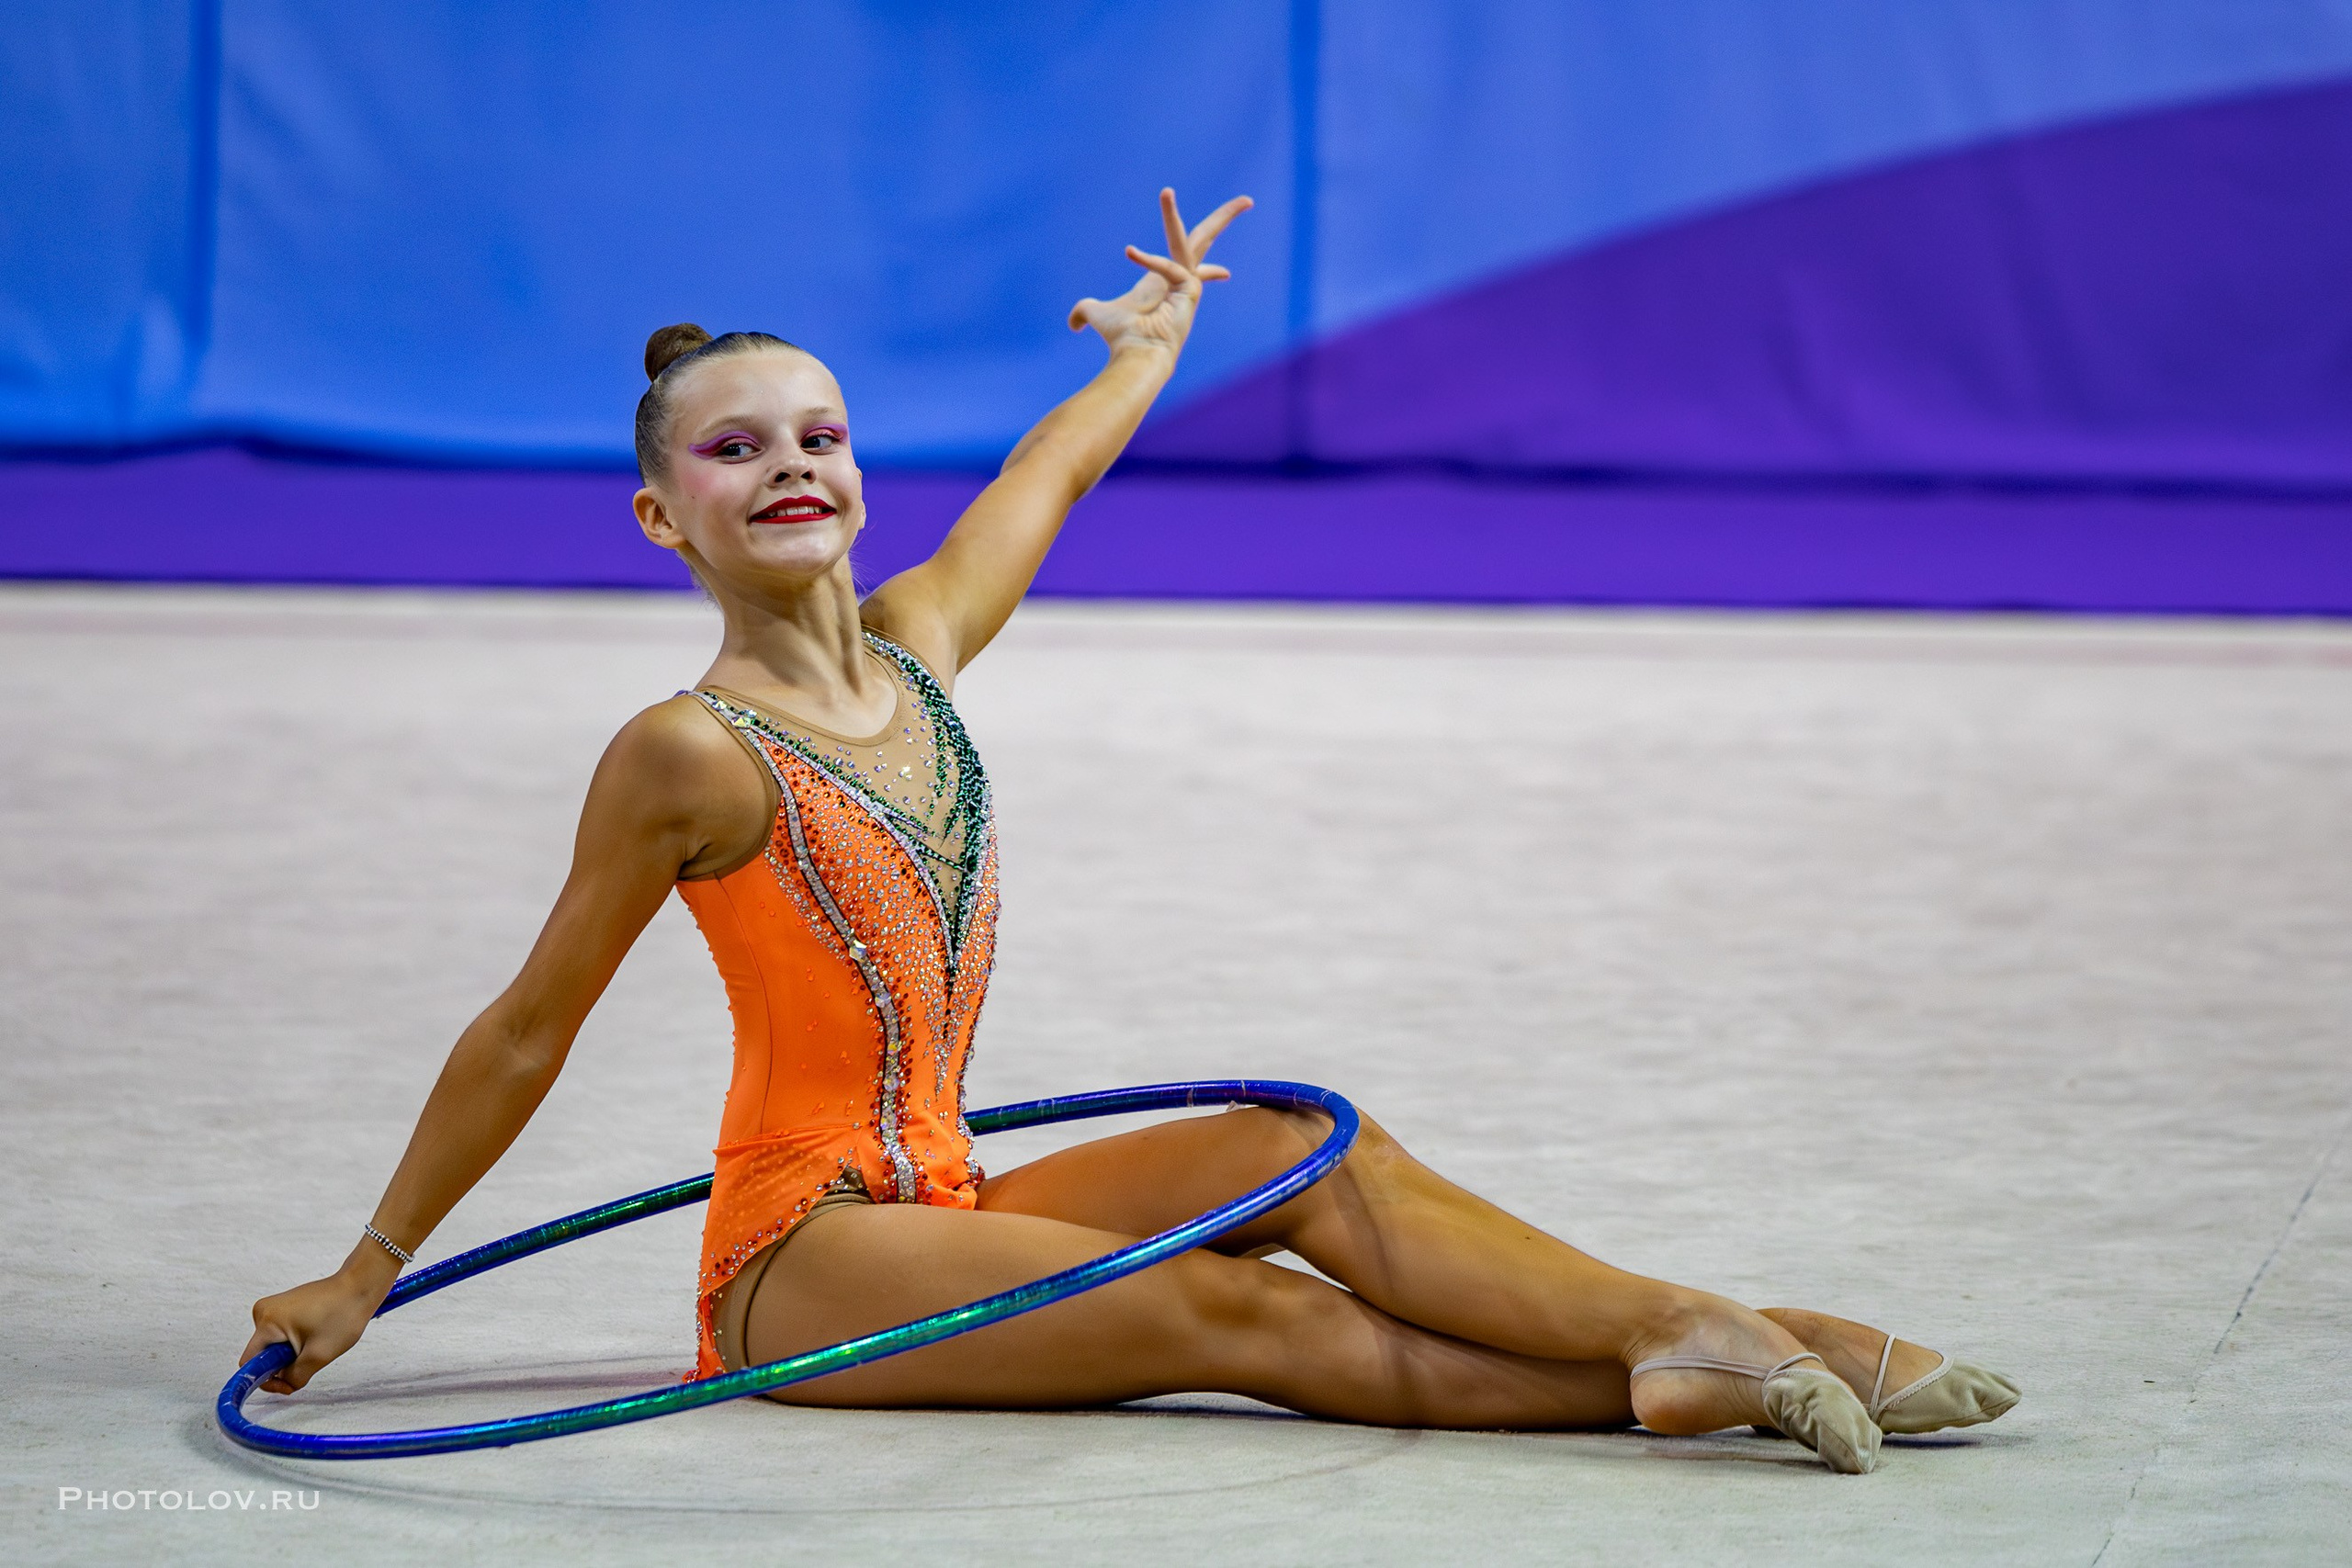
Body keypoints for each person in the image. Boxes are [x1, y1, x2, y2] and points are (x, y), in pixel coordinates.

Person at [240, 189, 2016, 1474]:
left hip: (945, 1190)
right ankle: (1723, 1360)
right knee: (1251, 1322)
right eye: (731, 451)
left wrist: (1151, 350)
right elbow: (528, 1025)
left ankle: (1688, 1324)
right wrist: (367, 1277)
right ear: (659, 515)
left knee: (1294, 1150)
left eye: (820, 434)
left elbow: (1049, 477)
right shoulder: (684, 755)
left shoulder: (922, 653)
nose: (789, 466)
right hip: (802, 1262)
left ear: (858, 469)